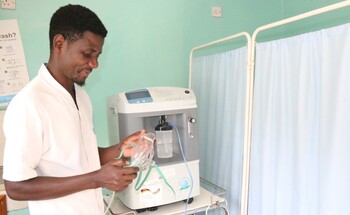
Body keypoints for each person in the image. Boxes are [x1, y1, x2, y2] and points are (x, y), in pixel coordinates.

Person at [2, 4, 142, 215]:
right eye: (87, 54)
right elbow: (15, 186)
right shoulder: (29, 104)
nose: (94, 64)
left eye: (98, 55)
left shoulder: (82, 97)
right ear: (59, 43)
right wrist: (96, 179)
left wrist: (120, 148)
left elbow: (78, 156)